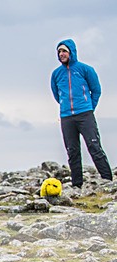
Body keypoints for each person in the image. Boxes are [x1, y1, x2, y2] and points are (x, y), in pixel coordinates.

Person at [51, 39, 113, 188]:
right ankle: (77, 185)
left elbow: (96, 90)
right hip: (66, 117)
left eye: (64, 51)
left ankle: (108, 181)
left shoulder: (85, 69)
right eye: (59, 52)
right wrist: (65, 107)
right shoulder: (56, 74)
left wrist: (89, 107)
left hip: (85, 114)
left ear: (71, 52)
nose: (61, 54)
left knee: (94, 147)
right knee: (72, 151)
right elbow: (56, 94)